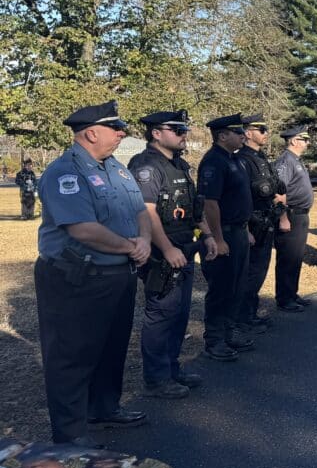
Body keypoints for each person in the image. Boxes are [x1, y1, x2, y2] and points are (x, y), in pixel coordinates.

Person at [34, 101, 150, 446]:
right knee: (71, 356)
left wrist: (144, 240)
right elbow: (82, 229)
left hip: (117, 275)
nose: (122, 133)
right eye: (116, 128)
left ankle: (104, 408)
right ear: (91, 133)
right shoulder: (65, 172)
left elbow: (140, 210)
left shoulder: (117, 169)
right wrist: (131, 247)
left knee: (111, 347)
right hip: (76, 278)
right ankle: (70, 435)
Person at [128, 110, 216, 399]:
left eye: (184, 130)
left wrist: (207, 235)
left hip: (184, 248)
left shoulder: (179, 165)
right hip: (161, 254)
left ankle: (172, 369)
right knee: (161, 314)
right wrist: (166, 249)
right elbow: (147, 212)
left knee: (179, 314)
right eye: (177, 130)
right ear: (156, 133)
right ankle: (156, 379)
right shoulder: (146, 166)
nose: (184, 134)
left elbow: (194, 206)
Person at [197, 114, 254, 361]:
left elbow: (238, 198)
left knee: (237, 286)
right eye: (237, 132)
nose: (243, 136)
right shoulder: (214, 162)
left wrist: (245, 229)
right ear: (222, 136)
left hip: (238, 231)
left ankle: (230, 331)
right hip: (225, 233)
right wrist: (218, 239)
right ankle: (214, 340)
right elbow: (210, 203)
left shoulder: (235, 159)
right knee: (221, 288)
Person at [236, 114, 287, 326]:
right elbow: (241, 198)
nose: (266, 133)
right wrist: (245, 229)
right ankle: (243, 317)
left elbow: (276, 187)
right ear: (248, 133)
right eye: (262, 130)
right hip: (252, 223)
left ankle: (250, 313)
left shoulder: (262, 159)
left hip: (266, 221)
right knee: (250, 273)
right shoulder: (242, 160)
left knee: (258, 272)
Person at [275, 126, 314, 311]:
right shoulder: (285, 161)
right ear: (293, 141)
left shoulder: (296, 160)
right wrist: (283, 217)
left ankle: (292, 293)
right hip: (291, 214)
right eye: (304, 139)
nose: (307, 143)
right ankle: (284, 299)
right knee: (288, 258)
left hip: (301, 215)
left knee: (296, 257)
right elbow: (278, 191)